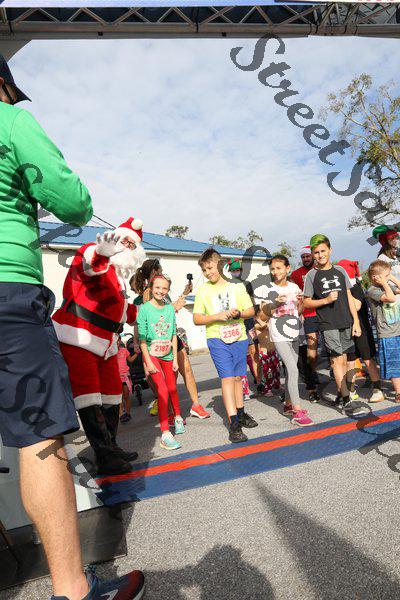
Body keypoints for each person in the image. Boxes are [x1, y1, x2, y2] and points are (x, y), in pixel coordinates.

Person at [0, 54, 144, 600]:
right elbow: (74, 203)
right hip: (7, 294)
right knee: (39, 441)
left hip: (97, 342)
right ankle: (72, 591)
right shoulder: (11, 119)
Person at [53, 218, 145, 476]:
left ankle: (110, 446)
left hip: (107, 343)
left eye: (132, 244)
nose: (127, 247)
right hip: (78, 336)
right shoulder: (93, 253)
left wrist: (146, 310)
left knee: (112, 394)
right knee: (89, 396)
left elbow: (123, 311)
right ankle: (104, 455)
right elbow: (88, 265)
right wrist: (101, 253)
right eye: (125, 241)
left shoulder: (119, 278)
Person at [193, 248, 258, 443]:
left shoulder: (237, 287)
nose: (207, 273)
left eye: (210, 268)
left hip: (238, 337)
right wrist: (217, 316)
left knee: (238, 377)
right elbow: (197, 318)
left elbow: (250, 311)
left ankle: (241, 413)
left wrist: (238, 314)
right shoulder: (203, 290)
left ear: (219, 265)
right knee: (227, 378)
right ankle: (234, 424)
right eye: (204, 270)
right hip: (217, 339)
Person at [132, 258, 210, 419]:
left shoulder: (162, 290)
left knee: (186, 370)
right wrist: (137, 341)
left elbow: (169, 308)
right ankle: (170, 411)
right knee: (166, 378)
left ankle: (195, 405)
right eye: (159, 271)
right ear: (153, 272)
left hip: (171, 336)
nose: (162, 273)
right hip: (158, 341)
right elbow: (153, 315)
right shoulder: (148, 293)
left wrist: (185, 293)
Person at [303, 234, 361, 413]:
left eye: (323, 251)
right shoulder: (311, 275)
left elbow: (349, 297)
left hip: (347, 321)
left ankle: (342, 394)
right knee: (337, 360)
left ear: (330, 250)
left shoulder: (340, 271)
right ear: (313, 254)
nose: (320, 255)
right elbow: (306, 302)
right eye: (316, 252)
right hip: (328, 323)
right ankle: (347, 400)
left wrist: (356, 321)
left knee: (348, 360)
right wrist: (326, 300)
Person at [260, 255, 314, 426]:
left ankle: (288, 405)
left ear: (287, 268)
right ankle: (297, 412)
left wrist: (301, 303)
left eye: (279, 268)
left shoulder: (294, 287)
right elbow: (263, 315)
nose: (275, 271)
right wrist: (275, 304)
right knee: (293, 369)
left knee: (292, 371)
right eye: (272, 269)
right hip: (279, 334)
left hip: (294, 332)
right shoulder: (268, 289)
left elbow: (298, 311)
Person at [137, 274, 185, 450]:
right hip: (152, 355)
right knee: (163, 390)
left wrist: (175, 358)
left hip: (168, 355)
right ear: (151, 288)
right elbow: (142, 340)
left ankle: (177, 417)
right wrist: (147, 362)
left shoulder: (170, 309)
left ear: (168, 290)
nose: (160, 291)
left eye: (164, 288)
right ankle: (165, 434)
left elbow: (173, 334)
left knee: (172, 388)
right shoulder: (144, 309)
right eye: (157, 287)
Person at [337, 260, 384, 403]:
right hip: (347, 329)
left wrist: (345, 292)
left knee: (368, 358)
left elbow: (356, 306)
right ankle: (350, 389)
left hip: (362, 329)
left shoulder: (356, 288)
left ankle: (377, 389)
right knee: (350, 360)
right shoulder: (342, 289)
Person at [227, 257, 263, 395]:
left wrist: (257, 319)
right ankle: (242, 388)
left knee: (255, 352)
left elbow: (253, 303)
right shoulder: (226, 285)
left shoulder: (247, 284)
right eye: (233, 270)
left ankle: (259, 383)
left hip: (248, 322)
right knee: (239, 355)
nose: (236, 272)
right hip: (233, 323)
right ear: (229, 272)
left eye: (238, 270)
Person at [367, 260, 400, 403]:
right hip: (387, 333)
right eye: (386, 276)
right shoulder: (373, 290)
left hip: (397, 330)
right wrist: (385, 283)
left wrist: (390, 277)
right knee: (394, 363)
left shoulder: (386, 285)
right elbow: (391, 298)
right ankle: (398, 392)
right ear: (376, 278)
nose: (388, 278)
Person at [291, 245, 320, 402]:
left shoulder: (321, 269)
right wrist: (300, 312)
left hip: (324, 312)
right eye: (303, 257)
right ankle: (312, 373)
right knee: (311, 350)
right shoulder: (296, 274)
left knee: (329, 348)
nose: (306, 259)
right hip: (308, 314)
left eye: (308, 256)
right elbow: (296, 296)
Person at [253, 306, 281, 396]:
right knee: (267, 372)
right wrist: (257, 319)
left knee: (277, 369)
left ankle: (277, 385)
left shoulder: (269, 321)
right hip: (264, 352)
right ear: (257, 315)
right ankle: (267, 389)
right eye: (263, 312)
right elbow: (265, 327)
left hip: (273, 351)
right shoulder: (257, 325)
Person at [117, 337, 135, 423]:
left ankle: (127, 413)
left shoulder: (124, 350)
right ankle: (121, 415)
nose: (116, 342)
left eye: (118, 340)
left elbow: (130, 359)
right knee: (119, 398)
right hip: (116, 377)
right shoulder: (110, 352)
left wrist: (137, 353)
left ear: (120, 341)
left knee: (126, 396)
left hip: (125, 376)